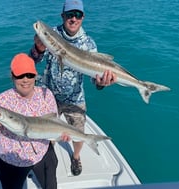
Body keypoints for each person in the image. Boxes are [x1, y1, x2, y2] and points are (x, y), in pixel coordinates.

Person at [29, 0, 117, 176]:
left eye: (77, 15)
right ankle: (47, 154)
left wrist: (101, 83)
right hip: (48, 95)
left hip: (75, 98)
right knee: (46, 133)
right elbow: (33, 61)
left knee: (79, 133)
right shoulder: (51, 34)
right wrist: (38, 49)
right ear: (63, 16)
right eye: (70, 14)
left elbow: (95, 80)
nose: (73, 19)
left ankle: (76, 157)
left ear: (83, 17)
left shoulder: (89, 44)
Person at [0, 53, 69, 189]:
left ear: (35, 75)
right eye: (20, 75)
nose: (25, 80)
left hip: (42, 153)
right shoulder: (1, 102)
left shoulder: (47, 95)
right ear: (12, 76)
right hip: (12, 161)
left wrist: (60, 136)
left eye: (30, 75)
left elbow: (54, 122)